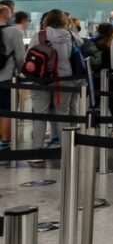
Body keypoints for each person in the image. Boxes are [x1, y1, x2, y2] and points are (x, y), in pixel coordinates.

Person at [27, 10, 75, 154]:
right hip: (65, 79)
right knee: (62, 114)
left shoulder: (39, 36)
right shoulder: (71, 36)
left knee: (40, 115)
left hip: (42, 80)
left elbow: (28, 57)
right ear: (63, 20)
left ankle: (37, 151)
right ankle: (65, 150)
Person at [0, 5, 26, 150]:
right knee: (6, 110)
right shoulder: (14, 31)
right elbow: (20, 56)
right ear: (6, 14)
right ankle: (5, 143)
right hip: (7, 76)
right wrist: (22, 71)